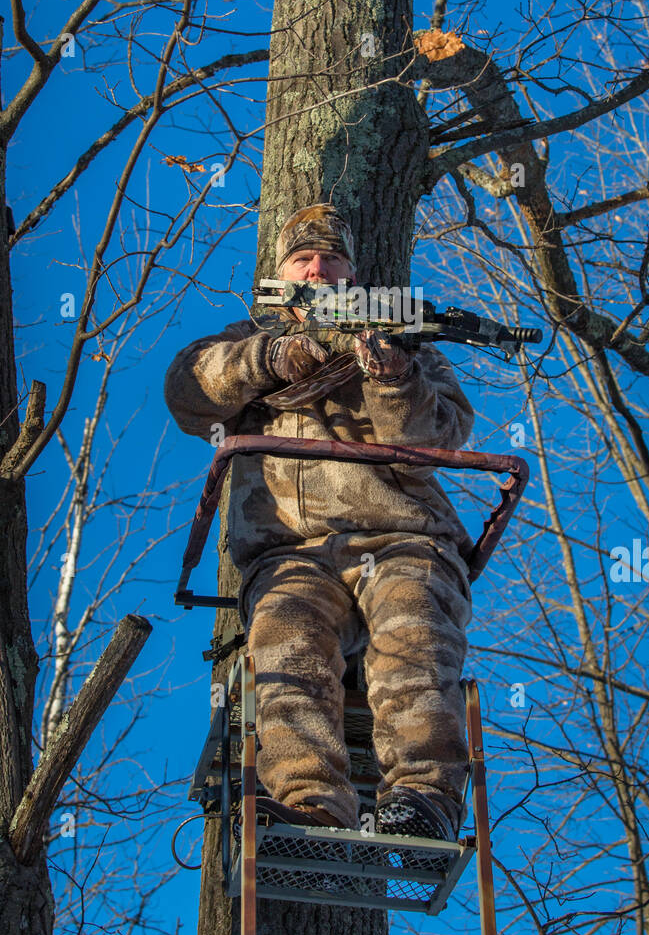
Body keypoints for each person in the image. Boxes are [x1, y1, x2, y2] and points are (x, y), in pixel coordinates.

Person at [164, 203, 475, 841]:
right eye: (303, 259)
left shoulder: (404, 344)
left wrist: (391, 377)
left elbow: (440, 438)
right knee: (286, 646)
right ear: (282, 273)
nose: (317, 268)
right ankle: (310, 808)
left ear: (353, 275)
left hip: (402, 539)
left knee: (415, 632)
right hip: (291, 552)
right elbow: (188, 394)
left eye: (331, 259)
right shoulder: (240, 339)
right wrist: (271, 360)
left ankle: (423, 806)